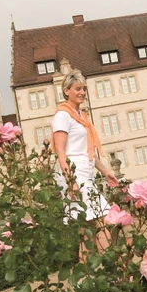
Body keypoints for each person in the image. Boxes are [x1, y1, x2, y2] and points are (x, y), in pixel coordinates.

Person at [52, 71, 120, 222]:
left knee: (86, 229)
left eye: (84, 89)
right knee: (102, 220)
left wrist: (105, 172)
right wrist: (71, 182)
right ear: (66, 91)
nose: (82, 93)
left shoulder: (83, 117)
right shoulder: (63, 116)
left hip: (85, 172)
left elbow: (88, 152)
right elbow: (60, 152)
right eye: (78, 89)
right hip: (74, 173)